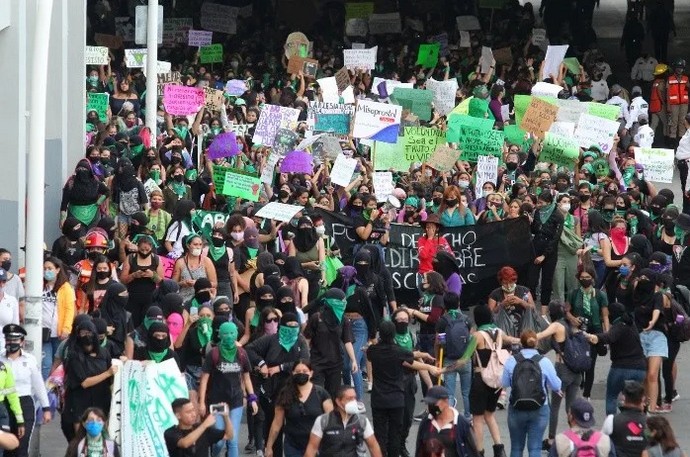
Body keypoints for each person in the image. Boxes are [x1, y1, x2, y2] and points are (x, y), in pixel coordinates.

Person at [367, 320, 441, 457]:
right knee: (395, 433)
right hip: (396, 398)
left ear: (380, 334)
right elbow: (413, 361)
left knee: (380, 434)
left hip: (378, 399)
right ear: (394, 334)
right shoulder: (398, 352)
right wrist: (429, 366)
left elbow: (370, 352)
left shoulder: (373, 351)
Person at [245, 312, 309, 457]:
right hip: (272, 390)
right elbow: (249, 349)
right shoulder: (271, 339)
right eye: (289, 326)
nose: (292, 329)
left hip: (294, 388)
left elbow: (304, 361)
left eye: (295, 326)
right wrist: (261, 364)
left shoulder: (300, 341)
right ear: (282, 326)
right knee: (273, 427)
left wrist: (281, 367)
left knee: (296, 427)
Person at [199, 321, 257, 457]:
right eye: (226, 333)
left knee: (233, 440)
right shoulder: (214, 353)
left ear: (236, 334)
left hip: (236, 401)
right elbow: (204, 379)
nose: (229, 336)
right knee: (219, 440)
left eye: (232, 333)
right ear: (220, 335)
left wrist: (252, 398)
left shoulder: (242, 353)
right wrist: (201, 402)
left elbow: (247, 377)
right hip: (217, 401)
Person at [502, 331, 562, 457]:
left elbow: (505, 383)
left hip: (516, 407)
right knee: (535, 448)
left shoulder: (512, 361)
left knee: (516, 448)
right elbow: (556, 385)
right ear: (536, 343)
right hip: (540, 408)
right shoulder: (544, 362)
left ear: (521, 344)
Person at [535, 301, 582, 450]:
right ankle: (575, 438)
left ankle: (551, 440)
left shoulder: (556, 325)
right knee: (571, 407)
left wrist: (521, 339)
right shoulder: (571, 325)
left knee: (554, 406)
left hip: (562, 369)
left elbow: (540, 336)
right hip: (576, 371)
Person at [585, 302, 646, 415]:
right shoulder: (631, 324)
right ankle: (638, 423)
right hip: (640, 368)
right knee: (635, 398)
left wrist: (593, 336)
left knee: (612, 396)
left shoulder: (619, 326)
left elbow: (608, 337)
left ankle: (612, 425)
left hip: (621, 367)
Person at [0, 324, 50, 457]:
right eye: (9, 339)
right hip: (4, 405)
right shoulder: (1, 359)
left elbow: (38, 384)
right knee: (6, 447)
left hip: (24, 402)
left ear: (22, 341)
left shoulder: (30, 360)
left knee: (22, 446)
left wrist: (46, 408)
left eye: (15, 340)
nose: (11, 343)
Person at [264, 360, 332, 457]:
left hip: (318, 446)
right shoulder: (284, 394)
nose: (301, 374)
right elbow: (277, 423)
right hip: (293, 446)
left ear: (311, 373)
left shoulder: (321, 394)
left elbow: (332, 421)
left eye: (305, 371)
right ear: (292, 373)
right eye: (298, 371)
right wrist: (269, 446)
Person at [62, 319, 115, 442]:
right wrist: (107, 373)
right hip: (80, 402)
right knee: (80, 441)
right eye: (83, 333)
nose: (87, 336)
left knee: (102, 440)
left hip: (101, 400)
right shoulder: (74, 355)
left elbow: (111, 378)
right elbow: (84, 382)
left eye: (90, 333)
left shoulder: (104, 353)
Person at [566, 265, 609, 400]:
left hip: (595, 329)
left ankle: (587, 393)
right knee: (579, 358)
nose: (585, 280)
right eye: (582, 277)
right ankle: (581, 382)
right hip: (578, 330)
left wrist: (606, 334)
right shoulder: (573, 293)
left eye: (587, 277)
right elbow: (566, 311)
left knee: (591, 361)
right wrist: (573, 319)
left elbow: (605, 315)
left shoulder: (600, 294)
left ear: (593, 278)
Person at [303, 288, 357, 398]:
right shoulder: (316, 318)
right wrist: (305, 358)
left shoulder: (343, 320)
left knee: (332, 395)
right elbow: (307, 339)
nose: (343, 304)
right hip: (317, 362)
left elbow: (347, 341)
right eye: (340, 302)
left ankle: (330, 415)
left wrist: (354, 360)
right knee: (316, 393)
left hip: (336, 363)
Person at [304, 385, 382, 457]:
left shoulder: (361, 421)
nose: (354, 401)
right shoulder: (323, 420)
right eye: (349, 398)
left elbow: (373, 446)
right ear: (338, 401)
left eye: (355, 398)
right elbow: (312, 449)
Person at [414, 386, 479, 457]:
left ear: (446, 401)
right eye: (429, 404)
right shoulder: (426, 422)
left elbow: (472, 452)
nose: (431, 407)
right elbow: (419, 450)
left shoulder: (462, 424)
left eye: (434, 404)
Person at [529, 191, 564, 314]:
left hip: (549, 252)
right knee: (531, 280)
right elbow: (534, 229)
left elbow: (556, 238)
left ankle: (544, 311)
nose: (538, 205)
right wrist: (531, 221)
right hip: (536, 247)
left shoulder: (558, 215)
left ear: (548, 202)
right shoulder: (538, 212)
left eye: (541, 203)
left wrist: (544, 255)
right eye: (538, 202)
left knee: (546, 281)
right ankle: (532, 308)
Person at [41, 257, 75, 379]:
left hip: (59, 333)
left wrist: (66, 328)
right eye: (44, 269)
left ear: (57, 270)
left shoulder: (66, 288)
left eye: (50, 268)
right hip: (43, 333)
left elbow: (69, 309)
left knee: (58, 363)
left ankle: (56, 391)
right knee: (46, 364)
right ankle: (45, 391)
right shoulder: (39, 285)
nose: (46, 271)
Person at [120, 234, 164, 327]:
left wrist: (153, 275)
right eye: (142, 250)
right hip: (132, 297)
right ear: (137, 248)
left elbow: (162, 282)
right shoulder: (131, 258)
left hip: (150, 298)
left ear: (151, 248)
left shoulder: (156, 259)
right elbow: (123, 279)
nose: (144, 252)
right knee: (132, 324)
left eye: (147, 250)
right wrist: (134, 275)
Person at [165, 398, 233, 457]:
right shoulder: (170, 432)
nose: (193, 414)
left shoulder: (202, 428)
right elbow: (185, 443)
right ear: (178, 416)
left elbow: (228, 435)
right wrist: (204, 425)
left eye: (193, 410)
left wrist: (226, 417)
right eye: (189, 412)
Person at [601, 380, 648, 457]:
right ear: (642, 399)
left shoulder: (612, 420)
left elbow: (601, 443)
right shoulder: (649, 423)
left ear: (624, 398)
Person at [93, 282, 132, 358]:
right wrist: (103, 330)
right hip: (100, 353)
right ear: (114, 296)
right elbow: (90, 331)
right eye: (123, 294)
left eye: (126, 293)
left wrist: (127, 355)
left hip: (120, 355)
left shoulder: (127, 315)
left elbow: (129, 337)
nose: (126, 296)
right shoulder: (98, 314)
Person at [0, 251, 24, 324]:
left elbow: (21, 302)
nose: (8, 261)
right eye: (5, 259)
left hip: (9, 315)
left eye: (9, 259)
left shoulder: (16, 279)